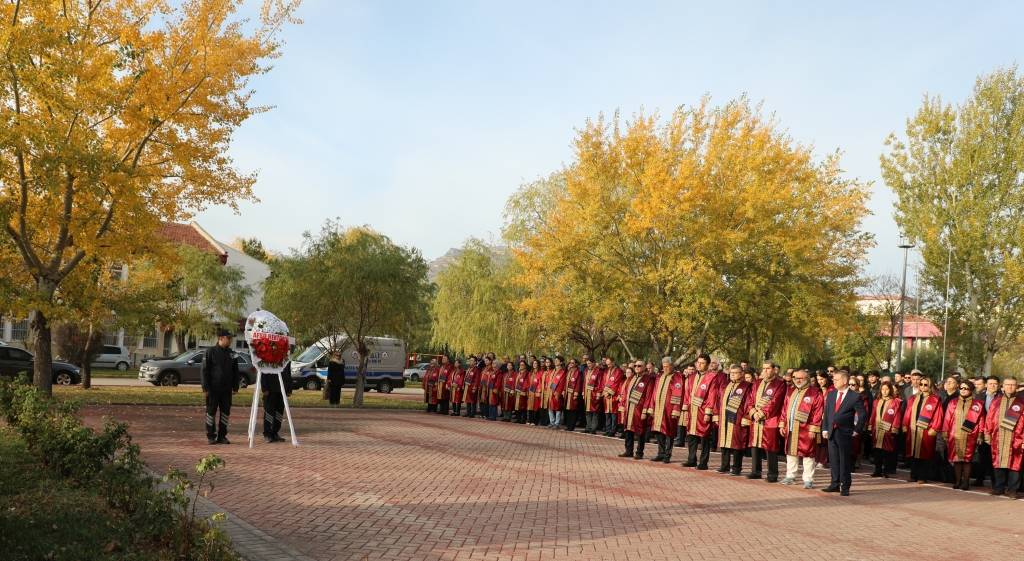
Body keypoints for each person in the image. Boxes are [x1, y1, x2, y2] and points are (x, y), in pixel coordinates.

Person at [821, 369, 867, 496]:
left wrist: (857, 430)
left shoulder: (855, 396)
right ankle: (834, 484)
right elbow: (827, 413)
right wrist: (825, 428)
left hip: (845, 433)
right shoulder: (831, 394)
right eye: (833, 379)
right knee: (834, 459)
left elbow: (862, 415)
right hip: (831, 431)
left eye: (836, 379)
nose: (833, 381)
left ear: (845, 381)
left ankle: (845, 486)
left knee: (844, 460)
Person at [779, 369, 824, 489]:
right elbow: (784, 409)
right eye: (795, 378)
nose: (797, 380)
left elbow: (818, 412)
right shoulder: (790, 391)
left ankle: (808, 480)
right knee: (791, 453)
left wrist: (813, 429)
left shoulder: (815, 393)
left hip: (806, 429)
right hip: (791, 428)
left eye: (800, 378)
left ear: (807, 379)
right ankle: (790, 476)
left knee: (808, 454)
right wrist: (782, 424)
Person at [941, 381, 986, 490]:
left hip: (970, 435)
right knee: (957, 459)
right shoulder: (953, 402)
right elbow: (947, 418)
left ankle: (966, 482)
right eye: (961, 388)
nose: (963, 390)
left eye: (966, 388)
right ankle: (957, 481)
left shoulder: (978, 404)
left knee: (967, 460)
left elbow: (981, 420)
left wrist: (980, 435)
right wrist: (945, 432)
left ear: (971, 390)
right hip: (955, 434)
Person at [746, 361, 787, 482]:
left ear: (774, 369)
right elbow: (750, 399)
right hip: (756, 419)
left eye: (768, 368)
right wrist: (753, 412)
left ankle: (772, 474)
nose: (765, 371)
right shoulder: (757, 383)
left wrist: (762, 413)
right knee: (755, 445)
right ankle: (756, 471)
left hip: (771, 419)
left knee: (770, 447)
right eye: (764, 368)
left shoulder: (780, 384)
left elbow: (776, 401)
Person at [683, 355, 724, 470]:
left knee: (704, 437)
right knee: (691, 436)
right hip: (692, 410)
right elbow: (687, 393)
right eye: (698, 362)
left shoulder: (712, 377)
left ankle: (703, 462)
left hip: (703, 411)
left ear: (707, 365)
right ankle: (691, 459)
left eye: (702, 363)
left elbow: (712, 395)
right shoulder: (691, 377)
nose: (699, 365)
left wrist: (708, 412)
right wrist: (686, 409)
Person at [985, 378, 1024, 497]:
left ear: (1016, 387)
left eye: (1013, 385)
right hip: (998, 437)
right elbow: (989, 419)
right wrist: (987, 434)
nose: (1010, 387)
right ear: (1003, 386)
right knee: (998, 462)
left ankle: (1012, 490)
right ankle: (999, 488)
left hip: (1017, 438)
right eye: (1008, 385)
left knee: (1015, 465)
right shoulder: (996, 401)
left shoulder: (1021, 402)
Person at [201, 329, 240, 445]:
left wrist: (235, 386)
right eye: (229, 338)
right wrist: (205, 388)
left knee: (225, 413)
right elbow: (204, 371)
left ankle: (222, 436)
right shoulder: (210, 351)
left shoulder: (232, 353)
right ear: (221, 338)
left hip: (226, 389)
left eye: (231, 338)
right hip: (213, 389)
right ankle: (211, 436)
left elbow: (236, 371)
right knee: (211, 412)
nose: (231, 340)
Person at [713, 364, 753, 476]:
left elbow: (749, 403)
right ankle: (724, 466)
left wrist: (746, 417)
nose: (733, 375)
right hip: (724, 417)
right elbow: (718, 401)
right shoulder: (725, 386)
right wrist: (716, 415)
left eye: (735, 373)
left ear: (742, 374)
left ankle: (736, 468)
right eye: (731, 373)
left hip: (738, 418)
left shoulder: (747, 386)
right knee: (724, 442)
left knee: (737, 444)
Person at [902, 376, 944, 483]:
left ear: (930, 386)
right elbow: (908, 413)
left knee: (925, 453)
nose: (923, 386)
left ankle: (922, 476)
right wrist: (905, 424)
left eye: (926, 384)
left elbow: (938, 415)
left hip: (926, 430)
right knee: (913, 453)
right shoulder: (912, 398)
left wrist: (934, 428)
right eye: (921, 384)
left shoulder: (935, 399)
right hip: (913, 429)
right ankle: (913, 475)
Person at [646, 358, 685, 463]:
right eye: (664, 366)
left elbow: (678, 394)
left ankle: (667, 455)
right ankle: (660, 453)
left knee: (669, 432)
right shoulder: (659, 376)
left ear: (672, 366)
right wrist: (652, 407)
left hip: (669, 409)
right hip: (658, 409)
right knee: (658, 432)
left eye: (668, 366)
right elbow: (654, 393)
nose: (666, 368)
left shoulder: (677, 377)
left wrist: (676, 410)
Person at [867, 381, 902, 478]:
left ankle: (886, 471)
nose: (885, 391)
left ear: (890, 390)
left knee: (887, 451)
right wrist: (870, 426)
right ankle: (877, 470)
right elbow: (873, 415)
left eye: (887, 389)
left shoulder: (895, 402)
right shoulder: (876, 401)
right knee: (877, 451)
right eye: (883, 389)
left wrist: (895, 428)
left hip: (888, 429)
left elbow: (897, 416)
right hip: (877, 429)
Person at [618, 366, 653, 459]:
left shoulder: (647, 380)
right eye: (636, 366)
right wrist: (622, 405)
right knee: (628, 430)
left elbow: (648, 396)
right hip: (628, 409)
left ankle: (639, 452)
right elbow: (625, 393)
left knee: (640, 431)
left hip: (639, 409)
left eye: (639, 366)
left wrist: (645, 411)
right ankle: (628, 451)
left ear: (644, 368)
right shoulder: (631, 378)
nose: (637, 367)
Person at [974, 375, 1002, 486]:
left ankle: (996, 482)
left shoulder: (1002, 397)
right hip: (982, 430)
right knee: (982, 456)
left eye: (995, 384)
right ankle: (979, 479)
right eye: (990, 383)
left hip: (996, 432)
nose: (992, 386)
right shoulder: (979, 396)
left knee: (994, 457)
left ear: (999, 385)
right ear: (986, 385)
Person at [262, 359, 293, 443]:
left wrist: (289, 389)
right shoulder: (268, 356)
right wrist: (264, 387)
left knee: (279, 413)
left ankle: (275, 432)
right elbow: (263, 372)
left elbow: (288, 373)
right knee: (269, 412)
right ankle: (267, 434)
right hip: (270, 389)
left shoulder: (286, 358)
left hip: (282, 389)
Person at [601, 357, 625, 437]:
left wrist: (609, 392)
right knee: (607, 414)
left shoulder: (619, 371)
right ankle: (608, 430)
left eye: (609, 364)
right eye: (607, 364)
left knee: (613, 414)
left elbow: (617, 383)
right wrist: (604, 392)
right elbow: (603, 382)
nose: (608, 365)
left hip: (613, 395)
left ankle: (613, 430)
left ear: (613, 362)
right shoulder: (606, 371)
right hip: (606, 396)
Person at [583, 357, 604, 434]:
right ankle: (588, 427)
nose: (588, 365)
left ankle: (593, 428)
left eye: (590, 363)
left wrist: (598, 393)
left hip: (594, 393)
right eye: (587, 363)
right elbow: (584, 382)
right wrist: (583, 392)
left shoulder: (598, 371)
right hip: (586, 394)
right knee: (587, 411)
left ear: (594, 363)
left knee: (594, 411)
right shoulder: (586, 371)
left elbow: (600, 383)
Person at [546, 356, 568, 428]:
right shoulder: (553, 371)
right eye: (555, 360)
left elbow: (562, 383)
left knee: (558, 407)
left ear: (561, 362)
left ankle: (557, 423)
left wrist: (557, 391)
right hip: (551, 391)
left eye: (557, 360)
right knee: (550, 407)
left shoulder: (562, 372)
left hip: (557, 392)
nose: (555, 361)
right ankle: (552, 422)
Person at [563, 358, 584, 431]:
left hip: (573, 394)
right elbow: (565, 382)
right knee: (568, 410)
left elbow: (578, 383)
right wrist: (564, 390)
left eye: (572, 363)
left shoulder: (578, 372)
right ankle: (568, 425)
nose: (571, 364)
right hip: (567, 393)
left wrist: (576, 393)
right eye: (570, 363)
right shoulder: (569, 372)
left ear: (576, 364)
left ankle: (571, 426)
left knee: (573, 410)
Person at [526, 358, 545, 425]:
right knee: (529, 406)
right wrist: (527, 389)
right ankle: (529, 420)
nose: (534, 364)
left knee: (535, 406)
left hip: (536, 392)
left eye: (536, 363)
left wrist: (538, 390)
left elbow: (541, 382)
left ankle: (534, 421)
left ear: (538, 364)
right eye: (533, 363)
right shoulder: (530, 373)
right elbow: (528, 382)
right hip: (530, 391)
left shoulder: (541, 373)